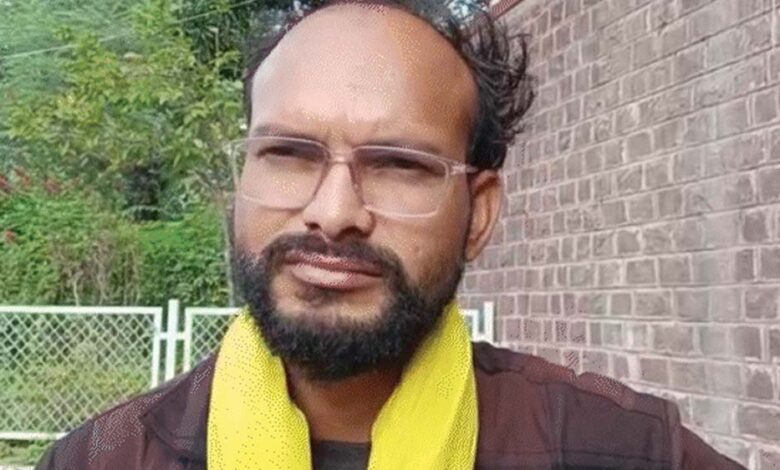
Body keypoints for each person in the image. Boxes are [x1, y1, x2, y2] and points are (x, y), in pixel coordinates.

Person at [35, 1, 744, 468]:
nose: (333, 211)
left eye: (400, 164)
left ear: (479, 215)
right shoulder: (101, 459)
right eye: (289, 154)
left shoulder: (623, 451)